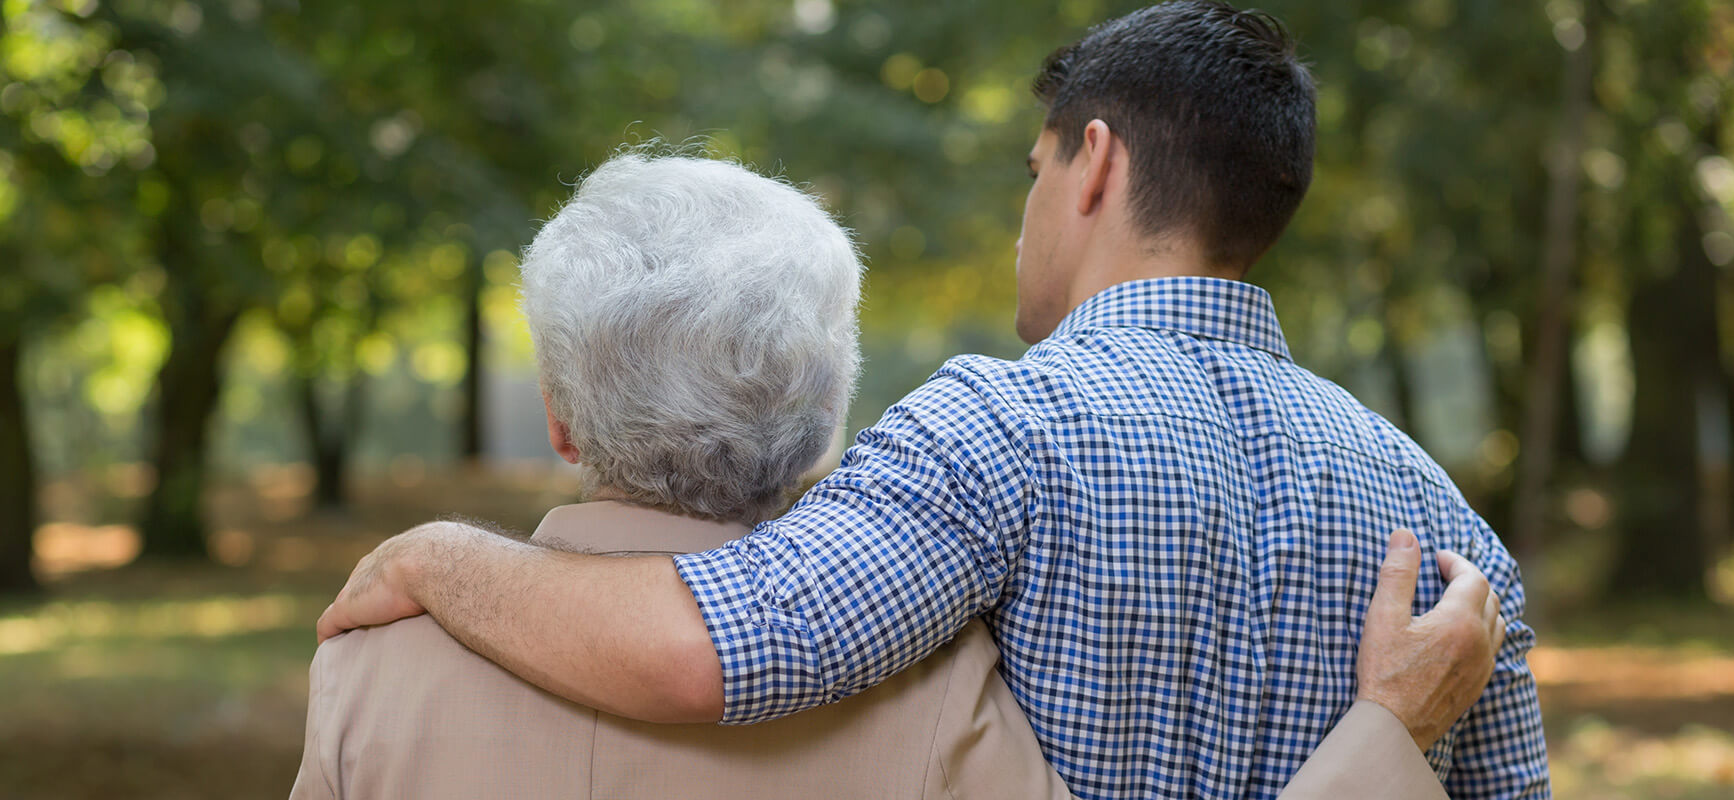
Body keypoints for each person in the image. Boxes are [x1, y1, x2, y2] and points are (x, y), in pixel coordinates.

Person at [318, 3, 1550, 797]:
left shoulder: (998, 431)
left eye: (1032, 170)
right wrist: (1384, 730)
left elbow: (729, 640)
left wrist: (438, 558)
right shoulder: (1445, 532)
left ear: (1096, 162)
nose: (1023, 212)